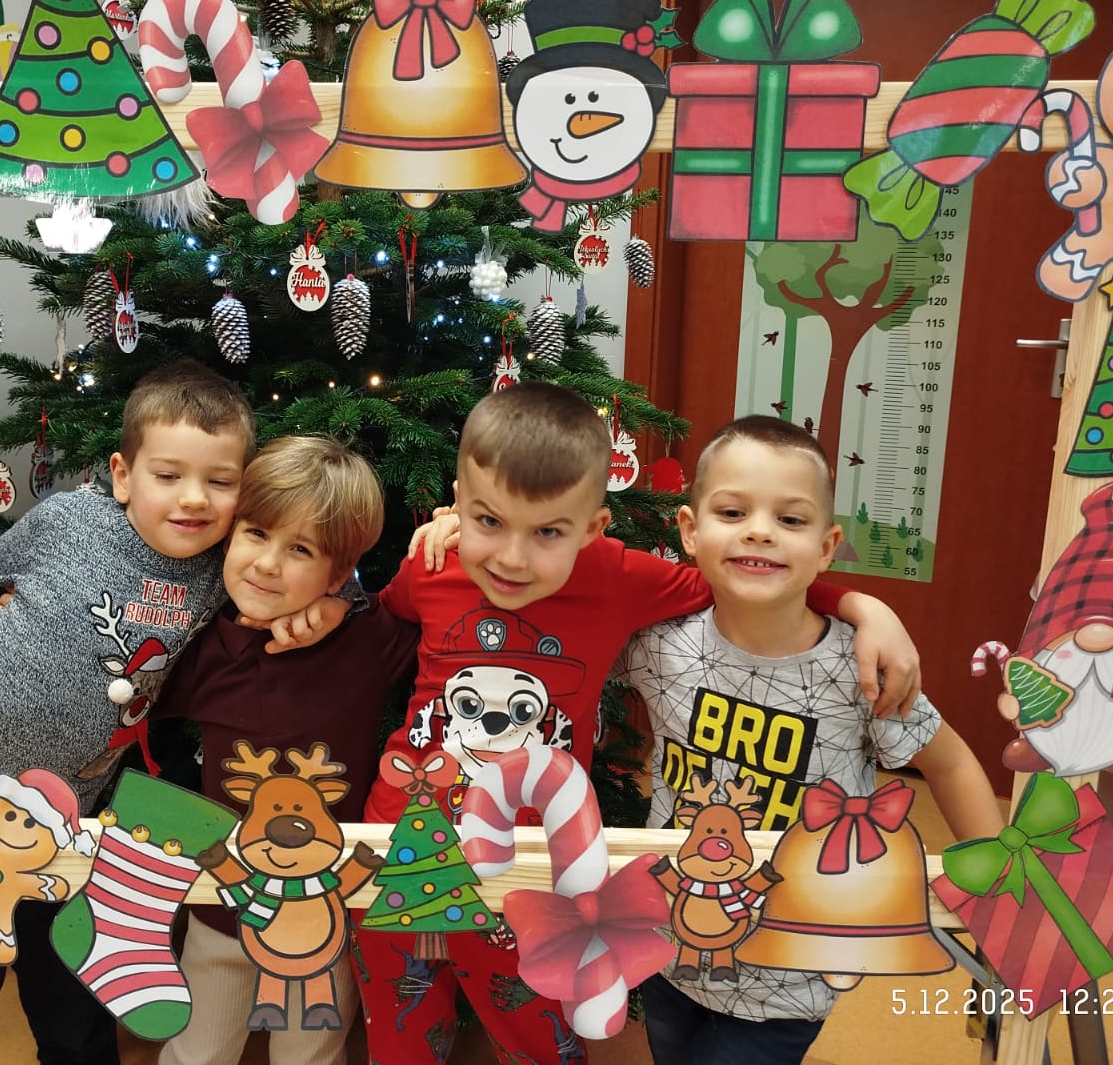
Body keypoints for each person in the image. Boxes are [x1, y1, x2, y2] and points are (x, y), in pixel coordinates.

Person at [353, 383, 922, 1065]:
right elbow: (370, 630)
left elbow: (745, 579)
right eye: (489, 521)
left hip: (536, 867)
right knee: (401, 1037)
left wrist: (863, 606)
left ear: (593, 528)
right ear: (459, 502)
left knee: (537, 1038)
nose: (510, 557)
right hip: (403, 843)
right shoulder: (432, 565)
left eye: (548, 532)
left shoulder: (619, 577)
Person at [0, 361, 336, 1065]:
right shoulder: (67, 521)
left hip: (76, 823)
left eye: (219, 482)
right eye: (168, 475)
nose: (193, 499)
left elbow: (313, 557)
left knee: (74, 1008)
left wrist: (332, 603)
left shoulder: (227, 568)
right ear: (123, 475)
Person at [615, 415, 1004, 1065]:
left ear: (826, 548)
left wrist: (1003, 889)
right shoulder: (657, 645)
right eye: (733, 511)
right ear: (689, 530)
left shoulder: (860, 667)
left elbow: (952, 763)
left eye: (790, 520)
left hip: (794, 970)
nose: (760, 530)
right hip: (669, 943)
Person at [152, 435, 420, 1065]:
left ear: (337, 572)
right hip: (220, 910)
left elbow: (451, 612)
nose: (267, 565)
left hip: (322, 914)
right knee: (197, 1054)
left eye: (300, 549)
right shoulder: (199, 647)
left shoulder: (367, 639)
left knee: (311, 1055)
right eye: (255, 533)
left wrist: (443, 533)